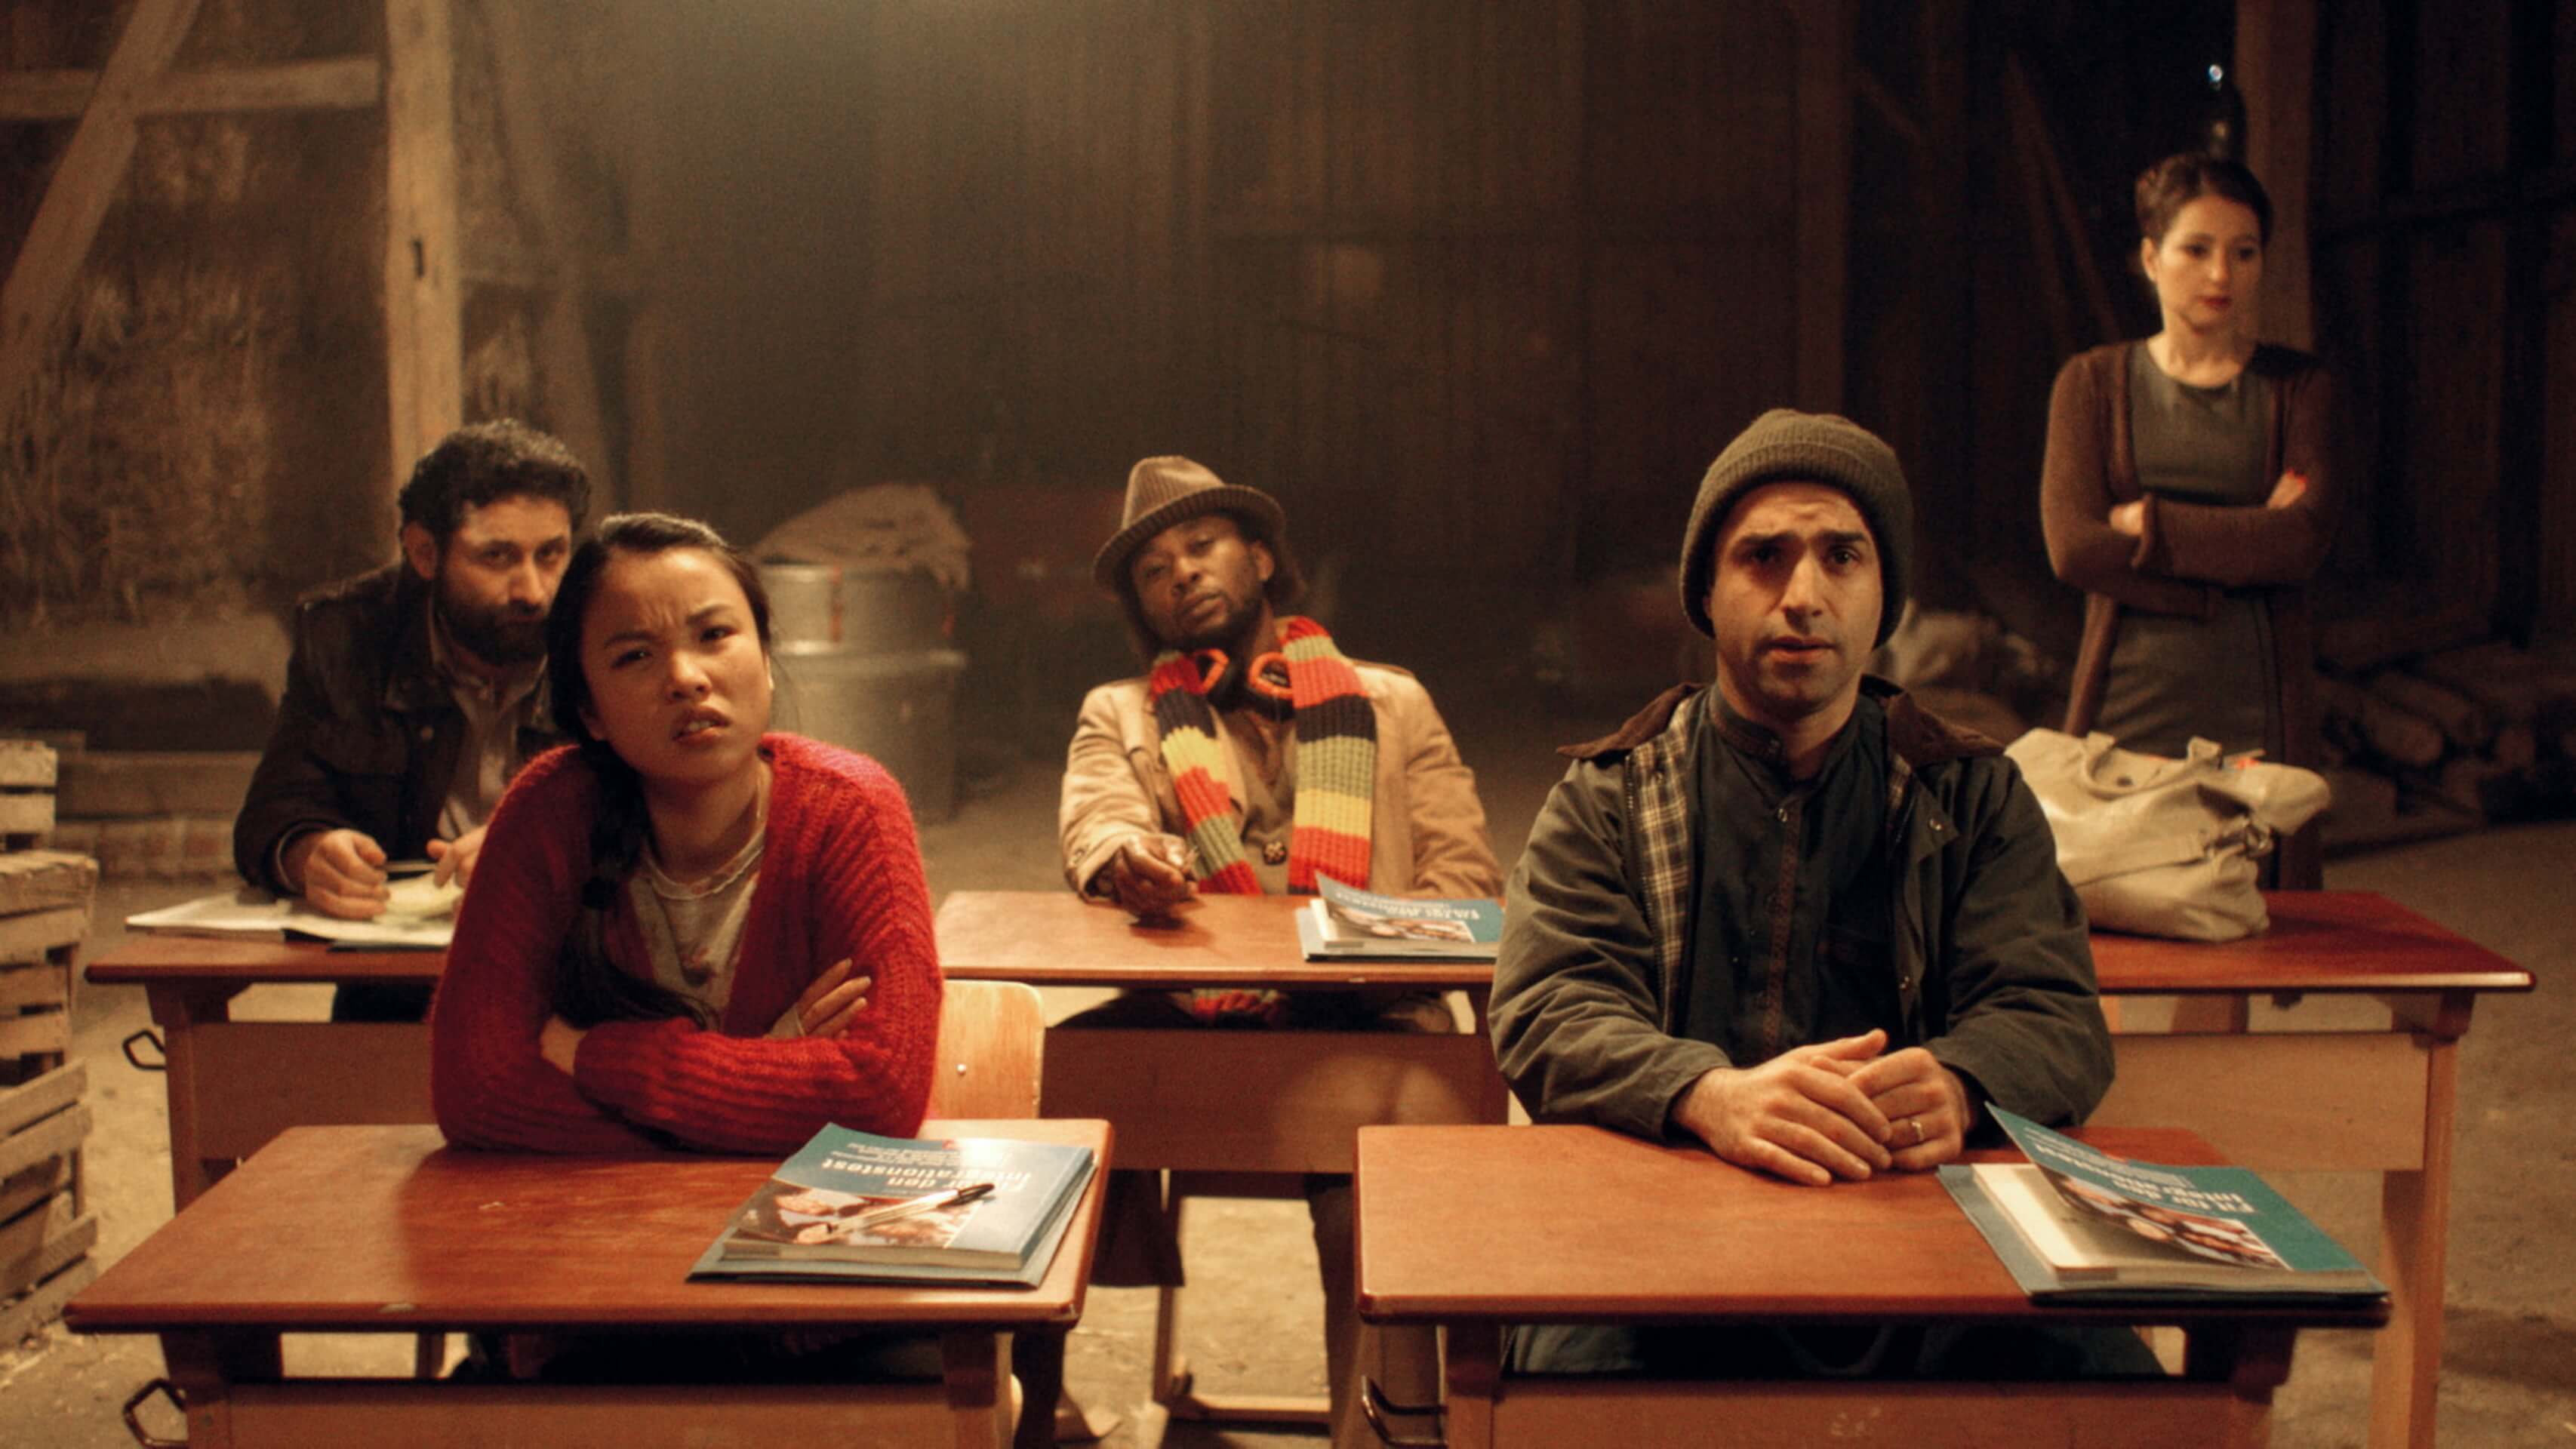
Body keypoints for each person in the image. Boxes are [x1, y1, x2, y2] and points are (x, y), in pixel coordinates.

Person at [1492, 409, 2126, 1378]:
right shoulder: (1612, 795)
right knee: (1562, 1382)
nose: (1802, 596)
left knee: (2108, 1381)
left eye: (1841, 557)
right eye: (1762, 558)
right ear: (1706, 593)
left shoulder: (1970, 794)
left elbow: (2053, 1013)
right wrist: (1705, 1094)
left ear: (1885, 595)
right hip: (1667, 1223)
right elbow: (1549, 1006)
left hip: (1928, 1234)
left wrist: (1960, 1081)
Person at [1058, 455, 1503, 1446]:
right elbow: (1096, 819)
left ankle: (1386, 1429)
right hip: (1196, 1014)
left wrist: (1372, 946)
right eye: (1153, 569)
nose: (1181, 574)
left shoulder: (1391, 701)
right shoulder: (1119, 712)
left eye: (1201, 546)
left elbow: (1466, 882)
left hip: (1370, 1016)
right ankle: (1025, 1400)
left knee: (1373, 1189)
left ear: (1259, 558)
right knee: (1036, 1082)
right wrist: (1128, 860)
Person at [430, 512, 940, 1158]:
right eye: (635, 656)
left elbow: (879, 1096)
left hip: (809, 1211)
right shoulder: (547, 815)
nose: (685, 677)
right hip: (603, 1216)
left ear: (766, 659)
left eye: (714, 635)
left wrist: (596, 1056)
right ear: (589, 710)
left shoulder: (850, 809)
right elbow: (475, 1093)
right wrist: (757, 1082)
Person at [2041, 152, 2340, 888]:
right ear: (2150, 258)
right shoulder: (2092, 383)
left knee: (2249, 911)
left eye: (2244, 253)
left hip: (2254, 698)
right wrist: (2237, 549)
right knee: (2110, 898)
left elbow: (2299, 541)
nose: (2220, 274)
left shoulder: (2296, 389)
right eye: (2196, 250)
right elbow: (2073, 548)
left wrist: (2147, 526)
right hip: (2127, 695)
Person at [233, 420, 591, 1020]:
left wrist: (535, 851)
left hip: (576, 972)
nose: (533, 590)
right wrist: (310, 853)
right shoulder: (348, 634)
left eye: (551, 555)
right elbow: (274, 809)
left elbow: (660, 805)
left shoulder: (602, 628)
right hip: (399, 984)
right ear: (424, 552)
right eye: (497, 556)